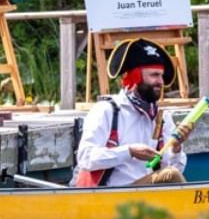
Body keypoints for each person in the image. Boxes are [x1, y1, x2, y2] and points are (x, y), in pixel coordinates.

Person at [72, 37, 192, 186]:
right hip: (108, 198)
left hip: (146, 198)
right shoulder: (106, 110)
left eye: (161, 76)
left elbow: (176, 170)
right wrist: (129, 151)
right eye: (154, 75)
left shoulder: (162, 117)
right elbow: (85, 158)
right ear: (134, 77)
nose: (161, 82)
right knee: (170, 175)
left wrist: (176, 148)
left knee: (172, 174)